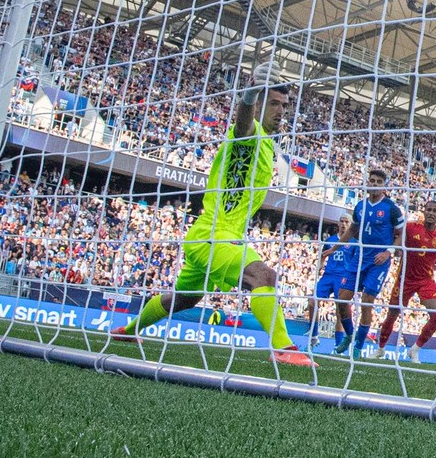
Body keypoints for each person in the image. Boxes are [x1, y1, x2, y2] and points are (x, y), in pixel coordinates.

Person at [112, 72, 314, 367]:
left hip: (209, 234)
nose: (281, 112)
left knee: (184, 299)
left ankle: (129, 331)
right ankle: (284, 347)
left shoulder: (268, 145)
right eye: (274, 104)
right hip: (213, 234)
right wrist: (250, 94)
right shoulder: (251, 133)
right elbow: (243, 123)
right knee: (263, 276)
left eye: (285, 105)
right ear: (259, 106)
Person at [374, 197, 436, 362]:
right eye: (428, 210)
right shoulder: (410, 227)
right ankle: (380, 349)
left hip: (425, 280)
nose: (431, 213)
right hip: (404, 278)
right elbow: (395, 236)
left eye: (434, 211)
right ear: (424, 211)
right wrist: (396, 250)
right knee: (392, 314)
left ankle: (415, 350)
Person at [334, 168, 405, 359]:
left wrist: (388, 252)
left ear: (384, 187)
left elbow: (401, 235)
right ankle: (349, 335)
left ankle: (358, 345)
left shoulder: (391, 209)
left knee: (367, 301)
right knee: (341, 299)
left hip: (378, 261)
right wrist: (334, 248)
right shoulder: (360, 206)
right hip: (359, 258)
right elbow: (352, 231)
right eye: (371, 181)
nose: (374, 184)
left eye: (378, 182)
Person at [307, 215, 358, 351]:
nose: (343, 224)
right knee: (312, 301)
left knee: (340, 311)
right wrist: (320, 266)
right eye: (341, 221)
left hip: (343, 278)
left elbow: (356, 261)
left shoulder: (354, 241)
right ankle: (313, 336)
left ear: (350, 224)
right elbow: (323, 255)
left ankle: (338, 345)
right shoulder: (330, 240)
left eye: (346, 221)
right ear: (338, 223)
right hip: (328, 276)